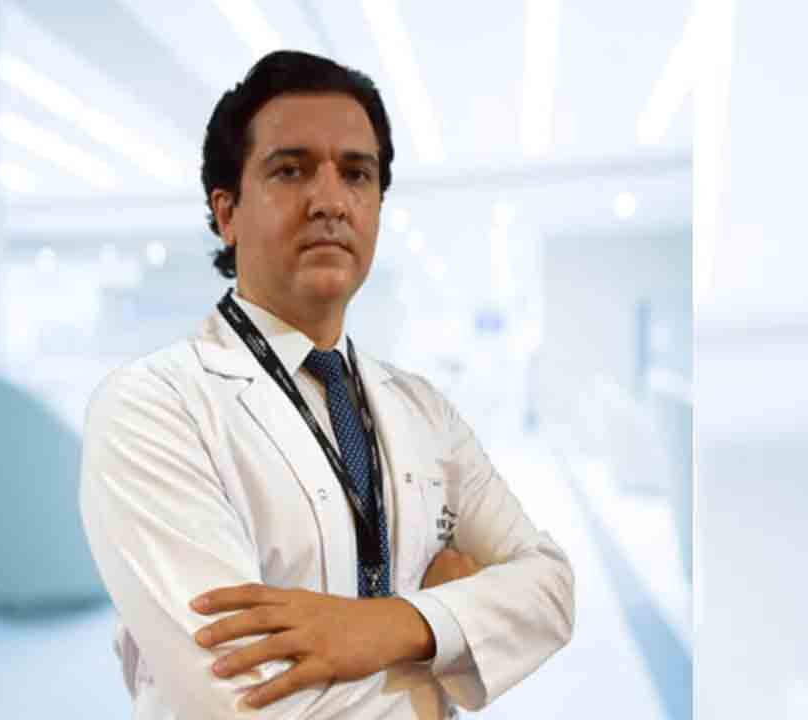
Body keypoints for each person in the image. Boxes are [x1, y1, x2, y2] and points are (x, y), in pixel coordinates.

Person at [79, 50, 574, 719]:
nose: (331, 201)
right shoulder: (152, 408)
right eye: (291, 170)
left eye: (357, 174)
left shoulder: (423, 409)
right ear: (227, 212)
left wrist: (394, 624)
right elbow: (248, 702)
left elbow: (551, 588)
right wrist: (449, 635)